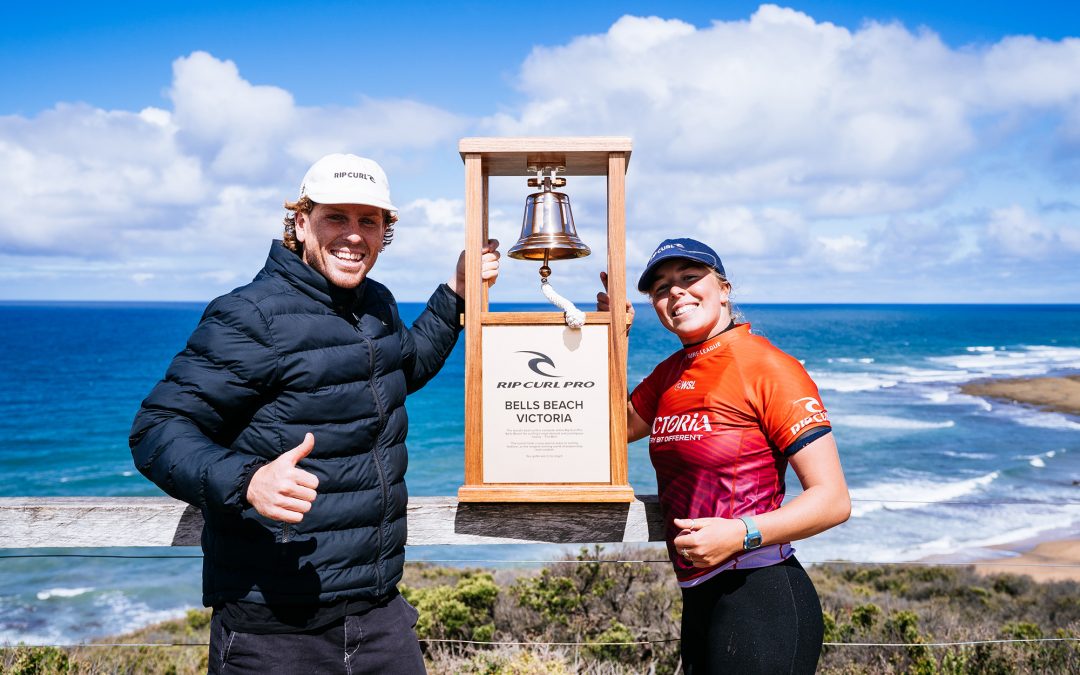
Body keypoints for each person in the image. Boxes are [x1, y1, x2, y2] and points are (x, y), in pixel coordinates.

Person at [130, 153, 500, 674]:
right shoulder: (250, 314)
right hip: (272, 630)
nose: (353, 235)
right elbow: (156, 431)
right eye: (336, 218)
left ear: (384, 232)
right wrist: (248, 481)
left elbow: (401, 369)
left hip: (379, 615)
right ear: (301, 222)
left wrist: (457, 293)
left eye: (368, 221)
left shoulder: (376, 304)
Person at [598, 238, 850, 674]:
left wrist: (741, 534)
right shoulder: (670, 374)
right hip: (699, 598)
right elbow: (611, 431)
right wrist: (611, 336)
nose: (675, 293)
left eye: (689, 278)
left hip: (761, 597)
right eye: (660, 288)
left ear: (724, 289)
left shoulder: (768, 367)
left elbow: (833, 500)